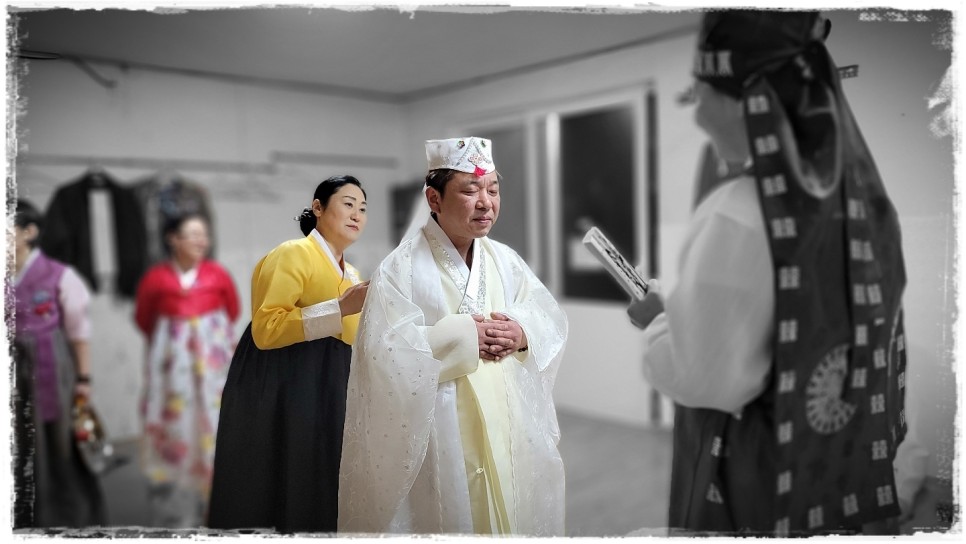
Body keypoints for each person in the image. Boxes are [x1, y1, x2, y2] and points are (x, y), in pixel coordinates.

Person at [626, 11, 908, 535]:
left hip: (760, 484)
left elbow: (703, 377)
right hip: (842, 475)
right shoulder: (868, 207)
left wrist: (662, 321)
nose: (698, 115)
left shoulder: (737, 214)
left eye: (701, 93)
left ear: (747, 102)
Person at [339, 137, 569, 536]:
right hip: (439, 429)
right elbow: (381, 353)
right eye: (470, 190)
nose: (486, 203)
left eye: (493, 190)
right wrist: (463, 338)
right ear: (434, 198)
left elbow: (546, 313)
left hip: (506, 420)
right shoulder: (400, 268)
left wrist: (522, 332)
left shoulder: (505, 260)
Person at [207, 175, 369, 533]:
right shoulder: (292, 253)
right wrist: (339, 308)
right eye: (347, 204)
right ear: (318, 208)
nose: (357, 214)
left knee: (324, 475)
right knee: (284, 476)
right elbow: (267, 329)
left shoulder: (353, 273)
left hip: (329, 384)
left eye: (362, 208)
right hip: (287, 383)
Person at [134, 213, 241, 527]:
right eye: (193, 234)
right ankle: (178, 514)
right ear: (173, 239)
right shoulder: (155, 279)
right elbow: (144, 319)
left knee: (216, 421)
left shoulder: (217, 274)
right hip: (173, 373)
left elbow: (232, 311)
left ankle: (219, 507)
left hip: (212, 369)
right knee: (175, 425)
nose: (201, 241)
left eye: (204, 235)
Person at [11, 199, 108, 528]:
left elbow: (79, 334)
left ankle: (70, 523)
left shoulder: (60, 276)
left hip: (52, 372)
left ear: (28, 232)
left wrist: (83, 380)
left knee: (60, 448)